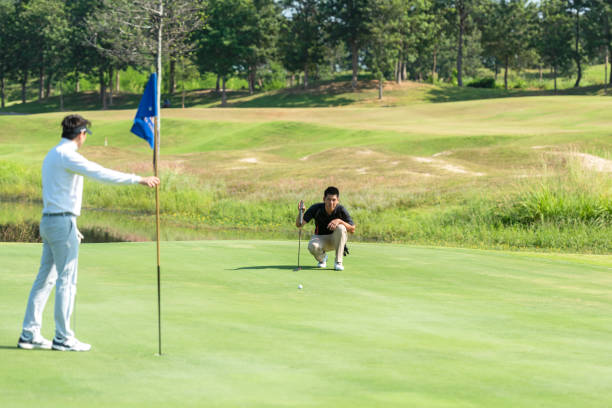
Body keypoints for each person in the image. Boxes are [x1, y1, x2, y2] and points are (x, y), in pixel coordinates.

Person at [17, 114, 160, 352]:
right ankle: (63, 337)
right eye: (85, 135)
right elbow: (100, 172)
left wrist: (71, 226)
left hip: (52, 221)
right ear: (81, 134)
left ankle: (29, 333)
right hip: (62, 222)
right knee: (66, 281)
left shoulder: (52, 154)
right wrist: (138, 179)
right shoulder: (68, 156)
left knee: (46, 279)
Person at [296, 186, 355, 271]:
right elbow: (299, 225)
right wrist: (301, 213)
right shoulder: (316, 208)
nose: (331, 202)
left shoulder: (341, 210)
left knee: (341, 227)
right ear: (324, 199)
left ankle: (338, 262)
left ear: (337, 200)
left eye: (334, 200)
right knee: (312, 246)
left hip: (337, 240)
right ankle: (323, 259)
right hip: (321, 239)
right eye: (329, 199)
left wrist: (339, 221)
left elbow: (352, 229)